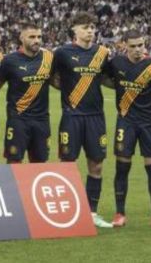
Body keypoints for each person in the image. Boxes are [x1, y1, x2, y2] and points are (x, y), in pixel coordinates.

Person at [51, 12, 115, 228]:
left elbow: (107, 77)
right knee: (67, 164)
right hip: (72, 116)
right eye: (86, 27)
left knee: (96, 165)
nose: (90, 31)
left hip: (96, 117)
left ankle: (92, 213)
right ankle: (67, 211)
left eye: (92, 27)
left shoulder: (102, 53)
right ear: (74, 30)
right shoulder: (61, 53)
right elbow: (51, 76)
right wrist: (65, 88)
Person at [107, 31, 151, 229]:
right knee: (122, 167)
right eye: (133, 46)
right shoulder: (116, 63)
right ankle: (119, 214)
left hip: (150, 124)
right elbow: (106, 79)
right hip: (125, 122)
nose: (138, 50)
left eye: (141, 45)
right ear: (124, 45)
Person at [0, 22, 53, 164]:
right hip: (18, 120)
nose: (37, 40)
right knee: (14, 163)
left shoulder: (49, 58)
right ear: (21, 38)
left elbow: (58, 81)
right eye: (32, 37)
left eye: (39, 37)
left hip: (42, 120)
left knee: (40, 164)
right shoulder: (9, 61)